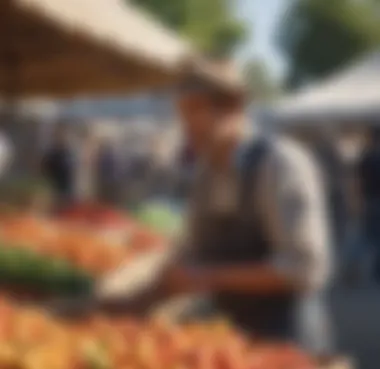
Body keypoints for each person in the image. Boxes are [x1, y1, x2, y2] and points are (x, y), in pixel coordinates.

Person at [61, 69, 333, 354]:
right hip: (236, 339)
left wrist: (206, 277)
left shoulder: (280, 165)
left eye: (195, 109)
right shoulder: (206, 174)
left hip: (289, 341)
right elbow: (188, 254)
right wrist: (132, 303)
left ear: (234, 106)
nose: (185, 124)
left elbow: (304, 268)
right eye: (181, 112)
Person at [356, 126, 380, 283]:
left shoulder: (366, 157)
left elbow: (357, 182)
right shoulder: (369, 157)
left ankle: (363, 270)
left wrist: (357, 202)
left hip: (369, 201)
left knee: (369, 237)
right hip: (374, 201)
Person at [41, 124, 76, 204]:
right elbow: (46, 166)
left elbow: (70, 167)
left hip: (65, 182)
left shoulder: (67, 150)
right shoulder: (52, 151)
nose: (63, 138)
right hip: (54, 182)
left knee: (65, 201)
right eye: (60, 136)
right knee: (55, 202)